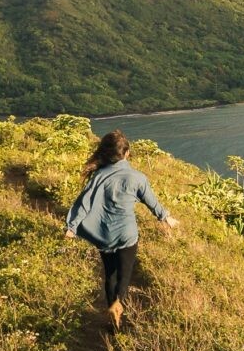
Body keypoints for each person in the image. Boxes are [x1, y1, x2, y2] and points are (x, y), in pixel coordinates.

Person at [64, 130, 173, 328]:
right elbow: (151, 202)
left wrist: (71, 227)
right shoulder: (137, 177)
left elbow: (84, 204)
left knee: (110, 275)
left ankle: (111, 318)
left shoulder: (98, 176)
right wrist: (166, 217)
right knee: (125, 274)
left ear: (105, 153)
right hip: (127, 234)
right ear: (127, 153)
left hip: (104, 236)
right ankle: (119, 304)